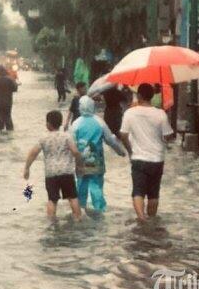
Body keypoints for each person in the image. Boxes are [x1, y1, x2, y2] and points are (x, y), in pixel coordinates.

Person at [119, 84, 176, 221]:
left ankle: (141, 218)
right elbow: (168, 136)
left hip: (138, 158)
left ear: (139, 95)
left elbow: (123, 135)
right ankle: (151, 218)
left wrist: (130, 151)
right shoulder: (160, 114)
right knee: (154, 193)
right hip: (157, 159)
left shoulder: (129, 113)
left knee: (138, 191)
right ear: (152, 96)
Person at [23, 110, 82, 221]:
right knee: (73, 197)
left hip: (51, 174)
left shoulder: (44, 138)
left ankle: (51, 222)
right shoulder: (67, 137)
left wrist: (27, 168)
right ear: (60, 123)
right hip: (66, 172)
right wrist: (79, 165)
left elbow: (33, 153)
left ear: (48, 124)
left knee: (52, 199)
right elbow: (75, 152)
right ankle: (78, 218)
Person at [71, 96, 127, 212]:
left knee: (81, 184)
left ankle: (80, 209)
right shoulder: (100, 122)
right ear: (93, 107)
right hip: (97, 160)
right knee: (96, 185)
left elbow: (71, 143)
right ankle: (99, 210)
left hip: (81, 161)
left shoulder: (76, 123)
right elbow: (110, 140)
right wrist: (120, 151)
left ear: (80, 107)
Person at [0, 65, 19, 132]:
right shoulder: (10, 79)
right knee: (8, 116)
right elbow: (15, 88)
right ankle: (10, 130)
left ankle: (0, 130)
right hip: (8, 102)